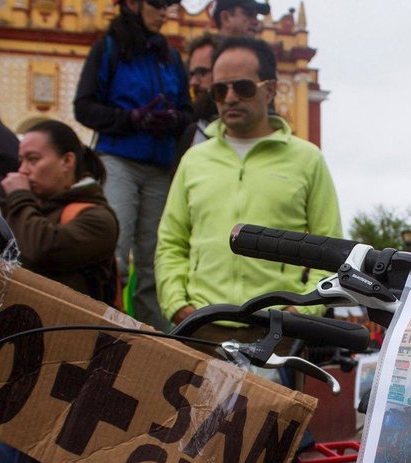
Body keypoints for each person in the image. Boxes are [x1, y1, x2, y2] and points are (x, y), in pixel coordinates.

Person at [0, 119, 125, 463]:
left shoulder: (95, 218)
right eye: (20, 161)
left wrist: (17, 199)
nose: (21, 170)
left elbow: (41, 248)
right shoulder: (28, 213)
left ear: (68, 161)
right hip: (20, 377)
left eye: (33, 159)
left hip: (75, 384)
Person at [154, 36, 341, 334]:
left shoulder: (307, 159)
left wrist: (300, 312)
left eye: (242, 87)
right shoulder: (193, 160)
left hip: (278, 330)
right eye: (219, 89)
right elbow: (170, 243)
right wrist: (177, 307)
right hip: (201, 326)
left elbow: (332, 249)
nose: (229, 98)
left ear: (270, 90)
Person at [73, 0, 192, 332]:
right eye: (157, 3)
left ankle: (154, 341)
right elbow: (83, 107)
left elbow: (188, 112)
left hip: (159, 169)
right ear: (131, 4)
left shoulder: (170, 57)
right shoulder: (107, 48)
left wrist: (172, 120)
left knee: (156, 262)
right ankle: (98, 328)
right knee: (115, 250)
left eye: (169, 4)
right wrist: (131, 119)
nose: (165, 10)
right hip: (118, 161)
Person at [176, 33, 222, 158]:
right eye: (192, 74)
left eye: (202, 72)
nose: (193, 82)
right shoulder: (190, 134)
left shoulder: (244, 134)